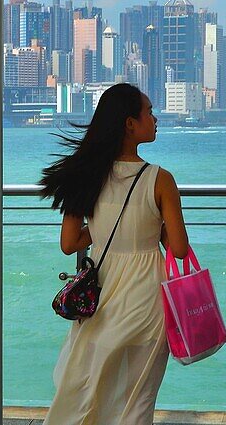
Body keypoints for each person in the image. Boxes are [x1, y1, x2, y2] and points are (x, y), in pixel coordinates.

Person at [39, 83, 189, 425]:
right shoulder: (160, 179)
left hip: (104, 295)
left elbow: (69, 243)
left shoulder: (85, 175)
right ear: (129, 124)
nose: (155, 118)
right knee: (138, 399)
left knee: (91, 387)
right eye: (149, 112)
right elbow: (178, 249)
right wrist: (152, 225)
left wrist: (103, 228)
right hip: (149, 297)